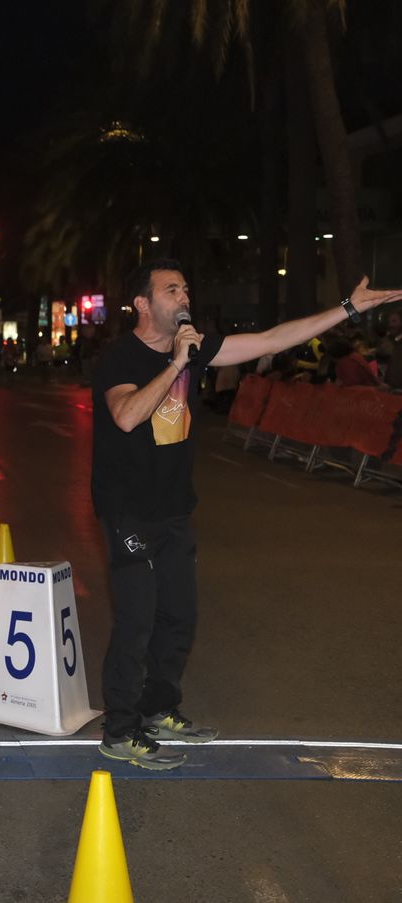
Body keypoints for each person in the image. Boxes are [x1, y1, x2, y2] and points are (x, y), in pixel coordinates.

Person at [91, 259, 402, 771]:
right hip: (128, 511)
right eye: (172, 289)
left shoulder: (195, 346)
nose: (184, 295)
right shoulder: (119, 359)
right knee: (137, 620)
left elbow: (271, 340)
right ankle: (119, 729)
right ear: (143, 304)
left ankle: (158, 709)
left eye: (186, 286)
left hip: (173, 510)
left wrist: (347, 308)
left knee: (179, 617)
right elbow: (126, 417)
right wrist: (175, 364)